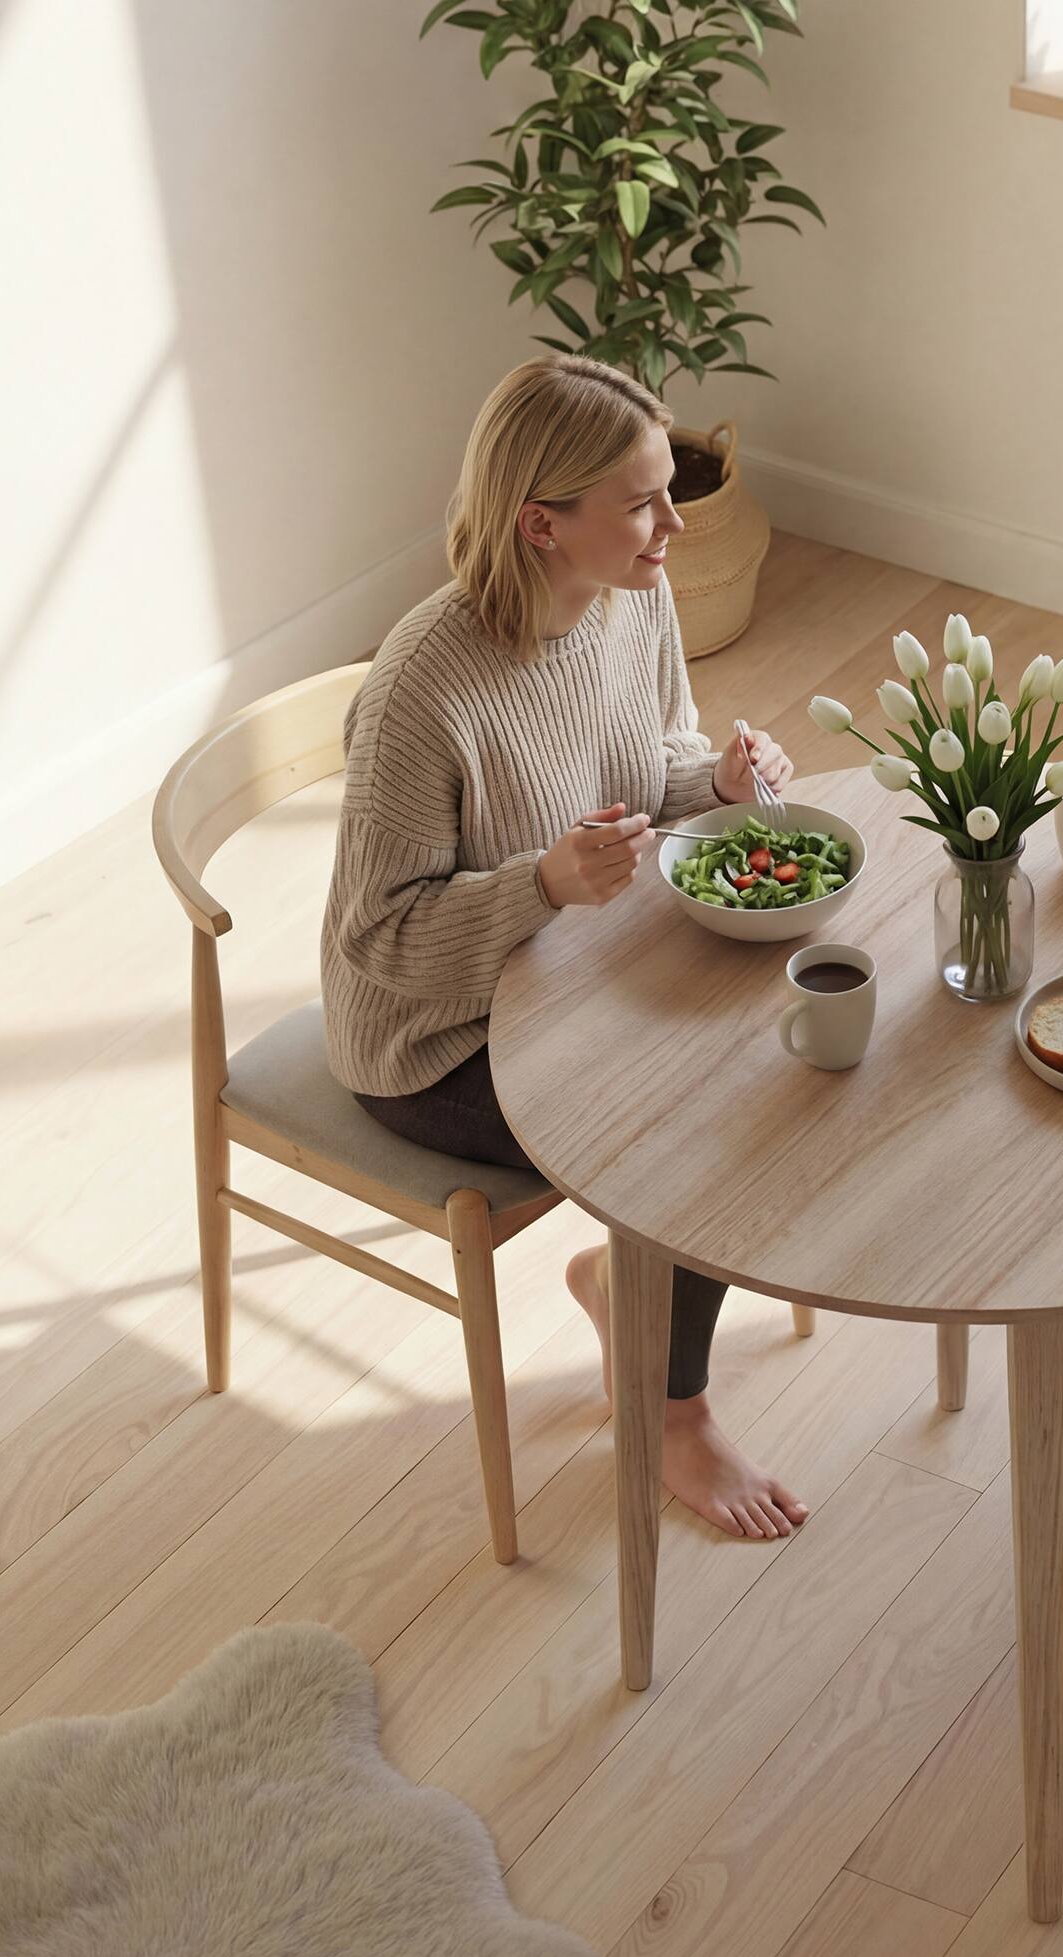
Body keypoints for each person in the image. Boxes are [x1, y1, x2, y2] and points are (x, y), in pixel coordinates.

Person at [321, 354, 808, 1541]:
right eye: (641, 502)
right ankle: (671, 1412)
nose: (674, 524)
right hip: (436, 1037)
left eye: (666, 490)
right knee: (695, 1132)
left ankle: (626, 1278)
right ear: (542, 524)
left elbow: (651, 764)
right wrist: (539, 883)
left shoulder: (632, 594)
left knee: (778, 1043)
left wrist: (716, 780)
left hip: (580, 969)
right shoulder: (420, 690)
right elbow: (379, 938)